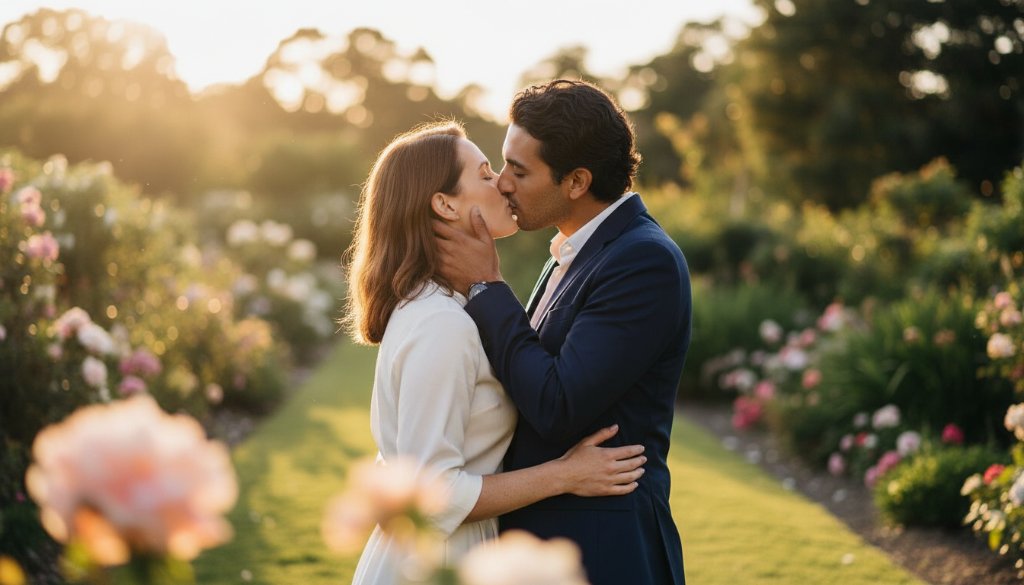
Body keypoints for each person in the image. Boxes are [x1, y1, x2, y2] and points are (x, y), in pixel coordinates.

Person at [342, 120, 647, 585]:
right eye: (485, 174)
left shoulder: (449, 308)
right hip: (430, 563)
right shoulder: (440, 324)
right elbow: (433, 491)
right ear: (444, 204)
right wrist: (563, 475)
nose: (503, 184)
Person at [433, 80, 692, 585]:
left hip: (602, 551)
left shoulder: (643, 260)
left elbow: (557, 403)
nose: (503, 182)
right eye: (504, 164)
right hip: (545, 544)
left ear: (576, 182)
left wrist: (488, 286)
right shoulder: (574, 252)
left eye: (520, 170)